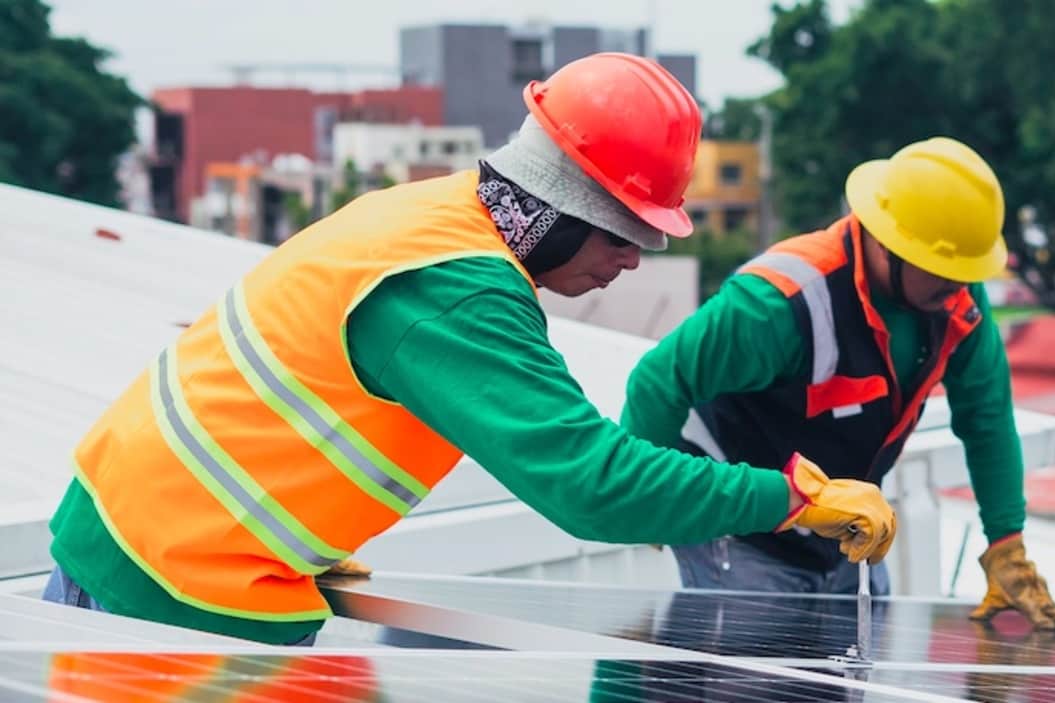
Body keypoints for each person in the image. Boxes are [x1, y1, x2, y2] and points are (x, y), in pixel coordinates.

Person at [40, 52, 897, 645]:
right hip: (171, 583)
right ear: (565, 202)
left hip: (149, 538)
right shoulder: (457, 290)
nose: (634, 259)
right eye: (626, 232)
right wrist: (791, 497)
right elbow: (590, 486)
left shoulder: (434, 214)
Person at [622, 137, 1055, 631]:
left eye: (967, 272)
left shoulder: (956, 305)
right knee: (757, 675)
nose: (960, 286)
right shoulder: (779, 302)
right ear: (887, 243)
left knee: (846, 673)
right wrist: (650, 502)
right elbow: (658, 381)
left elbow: (987, 419)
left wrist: (1006, 544)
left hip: (846, 531)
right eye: (945, 270)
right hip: (743, 530)